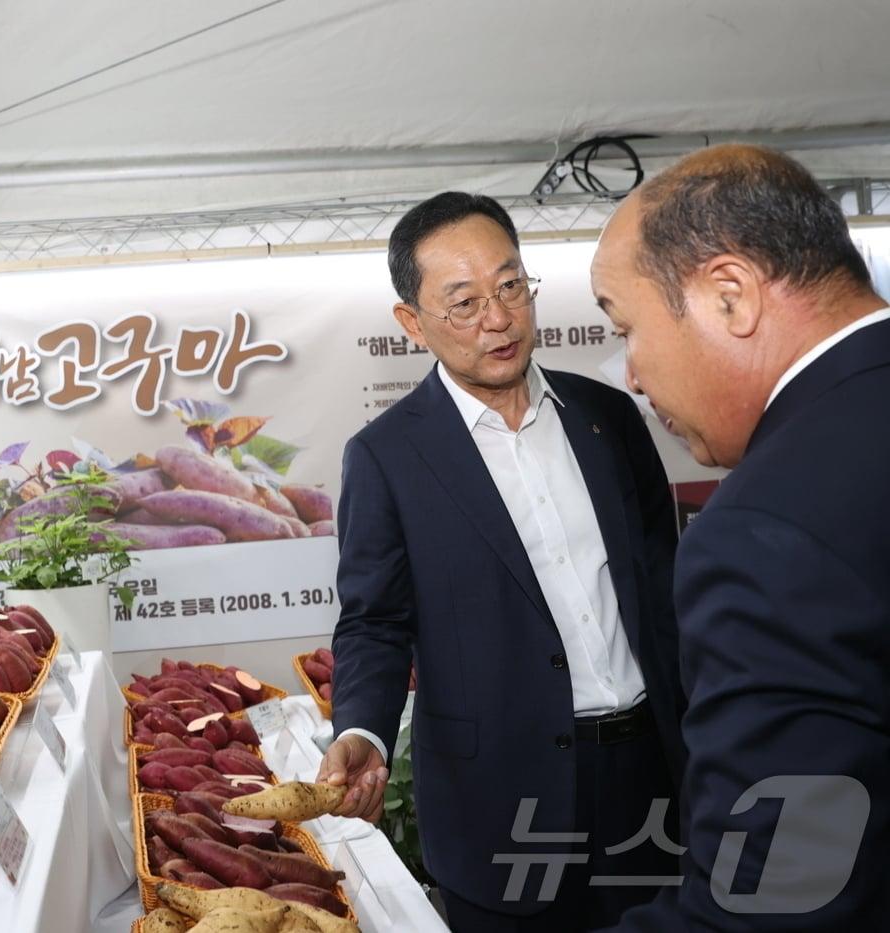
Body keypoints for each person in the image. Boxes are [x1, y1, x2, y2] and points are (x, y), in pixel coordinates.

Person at [320, 192, 686, 932]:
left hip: (650, 773)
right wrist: (361, 728)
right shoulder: (388, 457)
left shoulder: (608, 418)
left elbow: (666, 583)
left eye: (511, 286)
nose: (498, 317)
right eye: (463, 302)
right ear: (411, 321)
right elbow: (374, 621)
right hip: (504, 798)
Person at [591, 145, 890, 930]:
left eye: (627, 328)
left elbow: (777, 898)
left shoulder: (763, 529)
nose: (632, 373)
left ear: (730, 295)